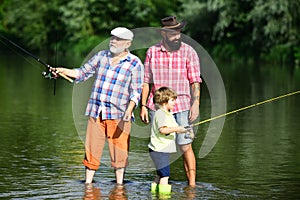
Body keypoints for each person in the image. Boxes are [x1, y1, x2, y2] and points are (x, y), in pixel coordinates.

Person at [52, 27, 144, 184]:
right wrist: (62, 71)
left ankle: (119, 186)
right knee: (91, 151)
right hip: (96, 112)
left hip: (120, 114)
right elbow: (82, 73)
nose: (113, 41)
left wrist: (129, 109)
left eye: (117, 39)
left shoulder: (135, 63)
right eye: (112, 37)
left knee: (119, 154)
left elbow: (136, 91)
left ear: (128, 43)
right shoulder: (101, 56)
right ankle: (88, 185)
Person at [140, 16, 201, 186]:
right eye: (173, 33)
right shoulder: (152, 52)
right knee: (160, 147)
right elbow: (146, 81)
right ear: (163, 33)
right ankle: (161, 181)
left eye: (179, 32)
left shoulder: (189, 52)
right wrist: (143, 105)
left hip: (182, 106)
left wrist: (195, 104)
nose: (177, 36)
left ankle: (192, 185)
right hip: (157, 107)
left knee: (185, 146)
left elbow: (195, 81)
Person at [149, 87, 189, 193]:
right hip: (159, 150)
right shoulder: (161, 114)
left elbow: (174, 128)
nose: (175, 102)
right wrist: (177, 129)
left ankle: (153, 193)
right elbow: (163, 130)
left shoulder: (168, 114)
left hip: (160, 150)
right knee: (165, 176)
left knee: (160, 174)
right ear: (164, 101)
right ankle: (163, 196)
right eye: (173, 100)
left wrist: (184, 130)